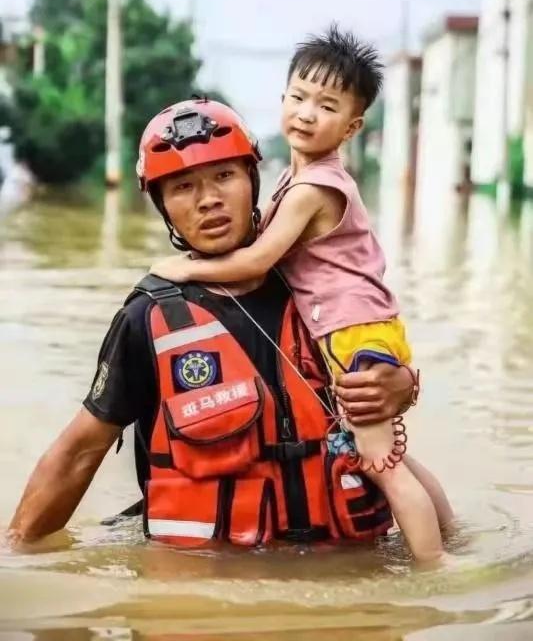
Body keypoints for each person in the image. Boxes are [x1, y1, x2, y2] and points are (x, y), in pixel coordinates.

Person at [6, 99, 417, 550]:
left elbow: (379, 359)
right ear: (163, 205)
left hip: (344, 577)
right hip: (211, 582)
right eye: (183, 186)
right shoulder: (147, 318)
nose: (209, 200)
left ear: (252, 179)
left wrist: (402, 385)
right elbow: (78, 453)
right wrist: (18, 554)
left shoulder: (318, 290)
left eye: (224, 176)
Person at [151, 30, 453, 562]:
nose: (308, 114)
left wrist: (175, 268)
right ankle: (451, 532)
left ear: (353, 126)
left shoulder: (315, 187)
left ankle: (437, 568)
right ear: (283, 99)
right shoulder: (295, 182)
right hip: (360, 329)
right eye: (299, 97)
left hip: (352, 333)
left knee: (380, 460)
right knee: (383, 450)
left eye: (328, 106)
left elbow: (254, 264)